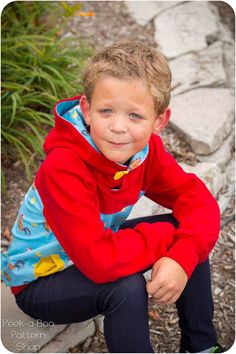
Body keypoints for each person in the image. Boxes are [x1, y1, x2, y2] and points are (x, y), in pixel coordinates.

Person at [1, 41, 223, 353]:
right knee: (125, 285)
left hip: (94, 248)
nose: (118, 127)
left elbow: (196, 200)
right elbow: (101, 263)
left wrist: (181, 256)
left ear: (159, 121)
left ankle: (201, 344)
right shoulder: (63, 168)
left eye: (135, 115)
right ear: (86, 109)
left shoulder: (146, 153)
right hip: (41, 282)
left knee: (189, 231)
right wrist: (167, 239)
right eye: (106, 110)